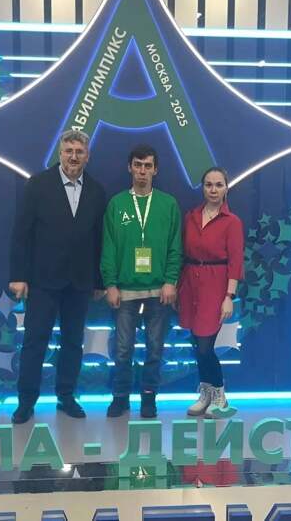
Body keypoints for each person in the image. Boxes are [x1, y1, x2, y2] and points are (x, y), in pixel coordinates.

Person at [8, 129, 107, 424]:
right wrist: (18, 276)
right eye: (69, 151)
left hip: (80, 282)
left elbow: (99, 239)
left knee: (73, 343)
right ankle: (26, 402)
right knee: (35, 342)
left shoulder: (97, 191)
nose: (73, 157)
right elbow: (21, 234)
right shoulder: (38, 185)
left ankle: (66, 396)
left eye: (79, 152)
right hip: (42, 280)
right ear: (60, 154)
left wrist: (99, 281)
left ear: (87, 156)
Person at [102, 145, 182, 419]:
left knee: (155, 349)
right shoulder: (117, 204)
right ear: (130, 167)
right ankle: (120, 397)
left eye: (148, 166)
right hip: (125, 291)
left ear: (155, 170)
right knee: (123, 349)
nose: (142, 171)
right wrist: (110, 284)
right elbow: (109, 247)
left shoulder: (168, 204)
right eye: (138, 165)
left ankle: (149, 398)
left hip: (159, 291)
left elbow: (175, 247)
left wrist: (171, 281)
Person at [177, 167, 243, 418]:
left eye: (218, 185)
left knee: (206, 346)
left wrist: (229, 296)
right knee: (196, 344)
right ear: (202, 187)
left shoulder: (232, 222)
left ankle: (219, 395)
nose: (213, 190)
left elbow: (235, 261)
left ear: (226, 188)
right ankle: (205, 392)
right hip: (190, 283)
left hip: (216, 287)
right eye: (208, 185)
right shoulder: (191, 217)